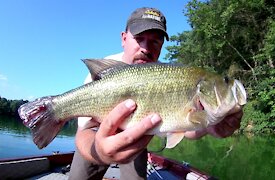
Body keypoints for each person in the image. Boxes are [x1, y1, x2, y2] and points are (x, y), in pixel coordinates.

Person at [69, 7, 243, 180]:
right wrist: (99, 151)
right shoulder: (103, 76)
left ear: (162, 45)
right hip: (95, 138)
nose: (146, 48)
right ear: (124, 38)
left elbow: (183, 128)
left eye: (155, 41)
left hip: (137, 139)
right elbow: (84, 131)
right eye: (139, 38)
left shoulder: (166, 73)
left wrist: (209, 125)